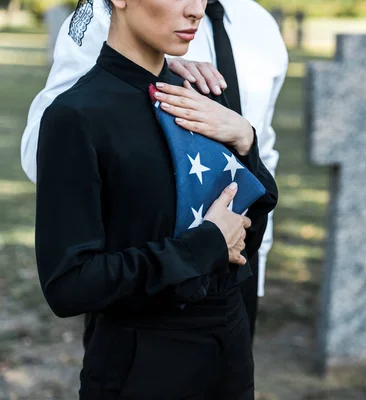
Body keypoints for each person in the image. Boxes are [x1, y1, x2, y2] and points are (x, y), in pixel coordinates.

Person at [35, 0, 277, 396]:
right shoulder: (76, 116)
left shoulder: (202, 93)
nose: (197, 10)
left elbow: (249, 225)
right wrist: (204, 245)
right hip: (143, 365)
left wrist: (246, 139)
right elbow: (69, 285)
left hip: (230, 353)